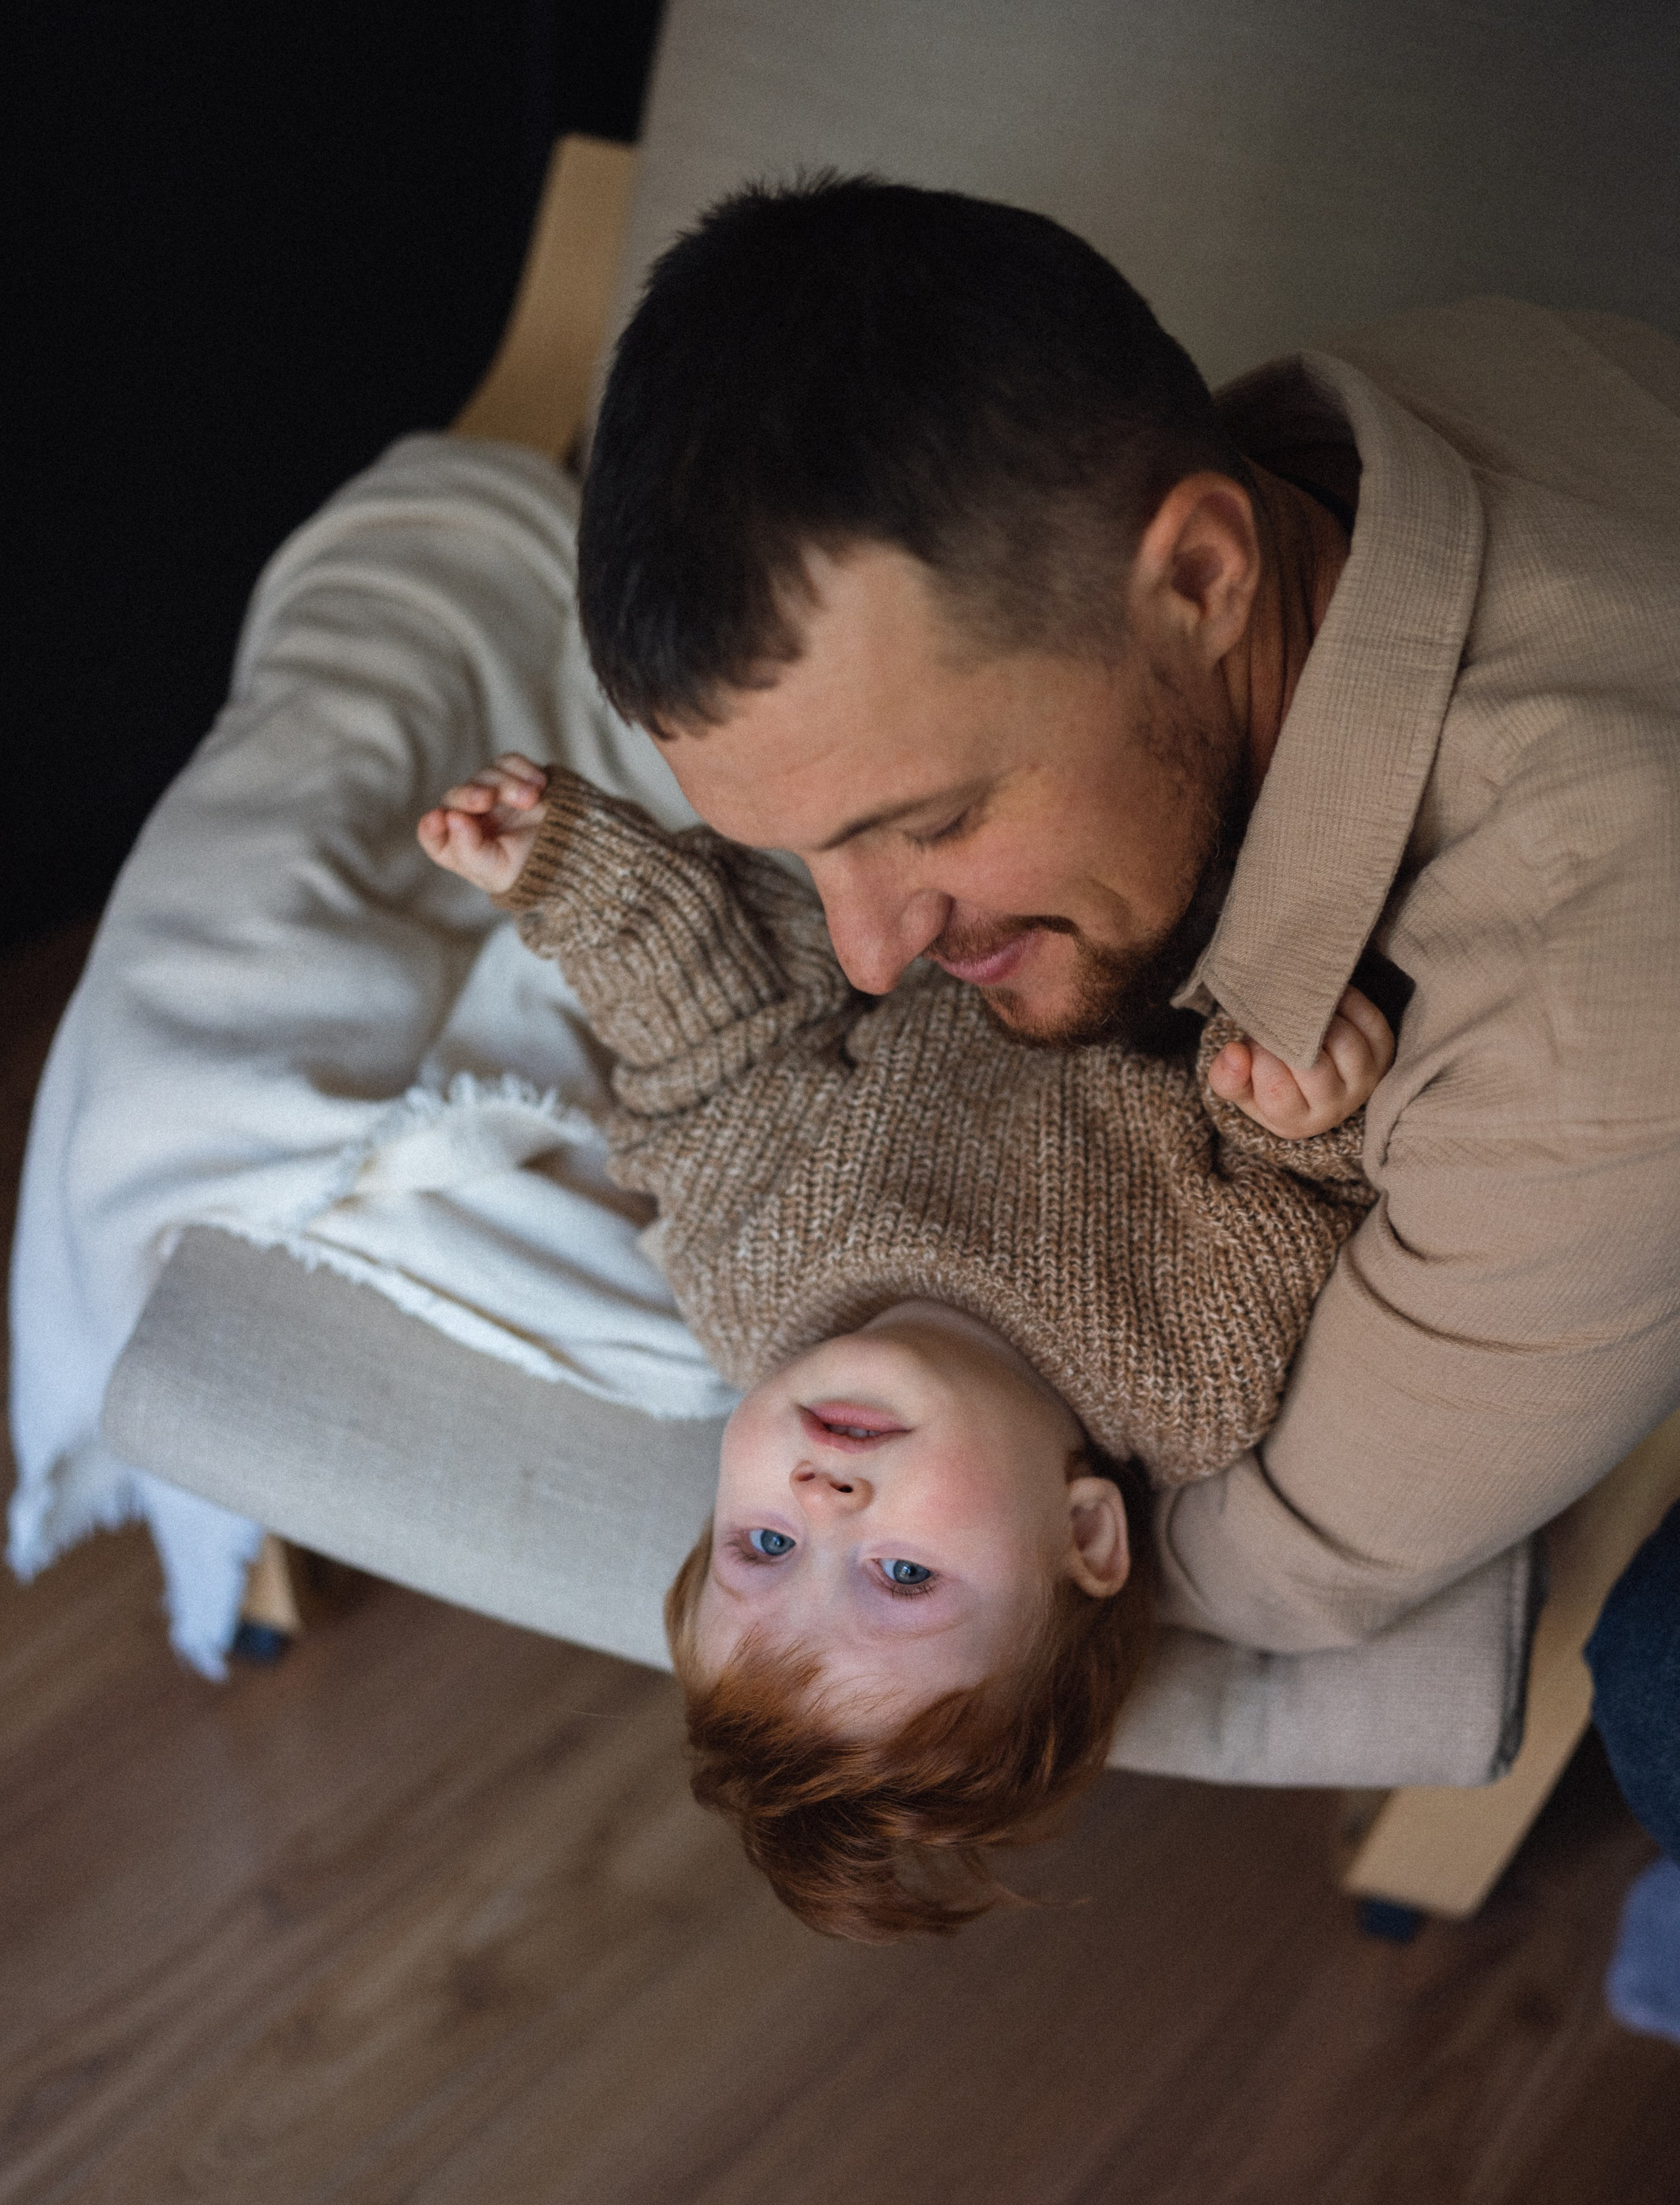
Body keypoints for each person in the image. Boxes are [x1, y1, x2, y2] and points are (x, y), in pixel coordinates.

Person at [561, 174, 1680, 1986]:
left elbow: (1284, 1559)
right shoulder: (1356, 435)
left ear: (1205, 576)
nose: (863, 958)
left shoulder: (1586, 1017)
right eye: (800, 858)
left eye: (923, 827)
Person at [419, 753, 1391, 1935]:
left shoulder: (748, 1280)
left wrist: (565, 875)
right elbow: (1304, 1194)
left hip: (947, 859)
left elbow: (710, 1048)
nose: (823, 1498)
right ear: (1086, 1531)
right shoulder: (1187, 1367)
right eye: (902, 1575)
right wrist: (1296, 1101)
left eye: (764, 1544)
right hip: (1211, 861)